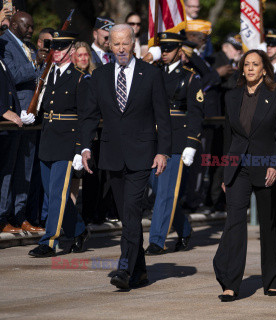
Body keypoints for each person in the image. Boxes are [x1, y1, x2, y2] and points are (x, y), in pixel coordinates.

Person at [80, 24, 171, 290]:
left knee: (131, 211)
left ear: (134, 44)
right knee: (126, 216)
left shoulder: (151, 75)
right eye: (115, 43)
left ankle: (124, 268)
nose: (121, 48)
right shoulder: (100, 76)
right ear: (109, 46)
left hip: (143, 154)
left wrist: (163, 151)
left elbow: (163, 118)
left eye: (125, 43)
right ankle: (140, 271)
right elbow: (87, 116)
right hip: (112, 155)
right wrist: (85, 147)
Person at [213, 49, 276, 302]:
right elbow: (228, 136)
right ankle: (230, 283)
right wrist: (226, 171)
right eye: (246, 64)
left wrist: (274, 165)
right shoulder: (232, 96)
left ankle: (275, 279)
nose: (250, 69)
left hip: (266, 164)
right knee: (234, 222)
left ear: (264, 69)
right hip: (238, 166)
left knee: (270, 223)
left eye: (255, 64)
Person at [27, 31, 89, 257]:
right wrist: (32, 116)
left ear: (71, 51)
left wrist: (79, 149)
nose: (56, 52)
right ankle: (79, 230)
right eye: (54, 48)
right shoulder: (47, 75)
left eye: (62, 48)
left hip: (66, 142)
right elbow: (45, 107)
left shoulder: (80, 78)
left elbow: (85, 118)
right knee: (55, 195)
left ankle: (49, 241)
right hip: (48, 139)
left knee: (57, 193)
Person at [144, 32, 203, 256]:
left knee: (166, 192)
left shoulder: (190, 77)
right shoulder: (152, 72)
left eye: (169, 49)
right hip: (155, 138)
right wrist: (149, 57)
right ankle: (184, 229)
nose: (165, 53)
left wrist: (191, 143)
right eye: (163, 49)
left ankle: (157, 241)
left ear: (180, 50)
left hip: (177, 140)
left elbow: (196, 114)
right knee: (158, 191)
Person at [0, 11, 42, 233]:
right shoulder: (4, 43)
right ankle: (3, 216)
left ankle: (20, 215)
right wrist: (36, 64)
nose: (31, 31)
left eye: (32, 27)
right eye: (27, 26)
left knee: (25, 170)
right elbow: (12, 75)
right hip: (13, 115)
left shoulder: (30, 47)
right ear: (14, 24)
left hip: (31, 115)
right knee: (9, 168)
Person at [0, 56, 24, 233]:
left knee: (6, 172)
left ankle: (2, 216)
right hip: (3, 122)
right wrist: (2, 111)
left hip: (9, 127)